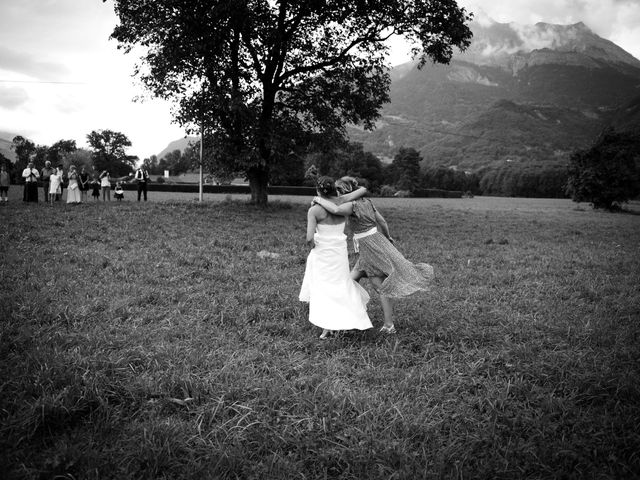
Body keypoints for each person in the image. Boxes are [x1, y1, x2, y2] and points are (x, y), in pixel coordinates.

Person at [313, 176, 434, 334]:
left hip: (369, 248)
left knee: (380, 287)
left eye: (338, 190)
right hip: (376, 241)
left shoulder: (352, 205)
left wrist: (318, 199)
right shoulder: (368, 202)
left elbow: (335, 210)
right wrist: (388, 237)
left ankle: (388, 325)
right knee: (349, 281)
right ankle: (345, 319)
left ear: (344, 191)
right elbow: (382, 222)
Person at [299, 176, 372, 339]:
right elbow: (363, 190)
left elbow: (309, 238)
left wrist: (313, 248)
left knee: (323, 287)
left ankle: (328, 327)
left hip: (322, 252)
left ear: (318, 191)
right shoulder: (342, 201)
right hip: (339, 252)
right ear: (333, 189)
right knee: (340, 284)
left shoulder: (314, 210)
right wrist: (350, 181)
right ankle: (347, 320)